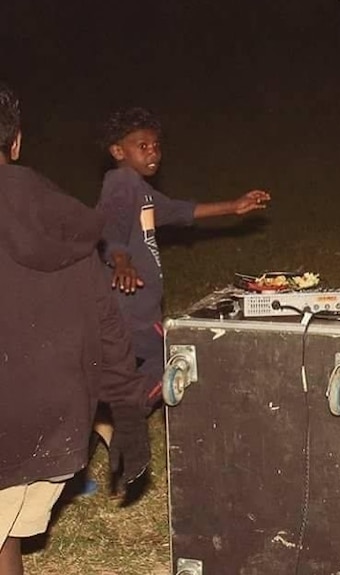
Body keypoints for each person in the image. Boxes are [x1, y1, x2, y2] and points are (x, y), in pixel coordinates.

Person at [0, 84, 152, 575]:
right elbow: (105, 316)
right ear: (16, 142)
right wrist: (128, 416)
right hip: (56, 420)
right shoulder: (63, 216)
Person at [96, 107, 271, 407]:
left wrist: (234, 206)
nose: (154, 153)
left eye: (156, 146)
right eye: (143, 146)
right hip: (130, 303)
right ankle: (130, 407)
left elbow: (181, 211)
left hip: (134, 305)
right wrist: (121, 259)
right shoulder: (121, 182)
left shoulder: (142, 191)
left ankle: (109, 411)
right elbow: (111, 222)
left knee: (150, 358)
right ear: (118, 150)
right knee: (175, 353)